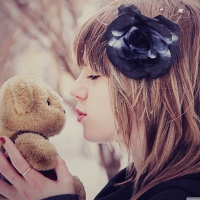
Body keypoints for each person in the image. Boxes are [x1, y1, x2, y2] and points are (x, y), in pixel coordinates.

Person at [0, 0, 200, 199]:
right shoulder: (129, 182)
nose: (74, 90)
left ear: (153, 89)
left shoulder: (182, 193)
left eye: (93, 75)